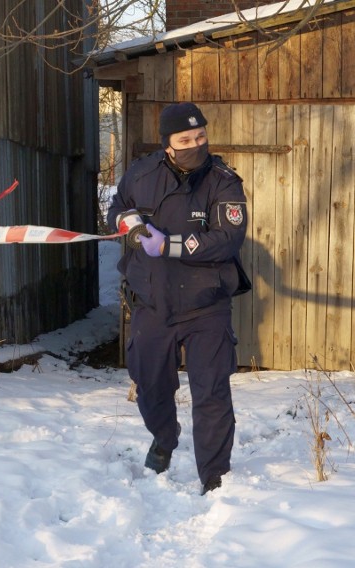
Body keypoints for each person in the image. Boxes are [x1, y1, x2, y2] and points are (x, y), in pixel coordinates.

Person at [107, 102, 249, 495]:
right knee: (150, 385)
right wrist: (133, 227)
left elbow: (227, 238)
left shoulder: (223, 180)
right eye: (184, 140)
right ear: (167, 143)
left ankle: (215, 475)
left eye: (200, 136)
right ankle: (165, 437)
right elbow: (117, 208)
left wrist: (167, 244)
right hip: (153, 301)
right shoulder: (141, 173)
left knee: (212, 393)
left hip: (206, 305)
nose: (195, 145)